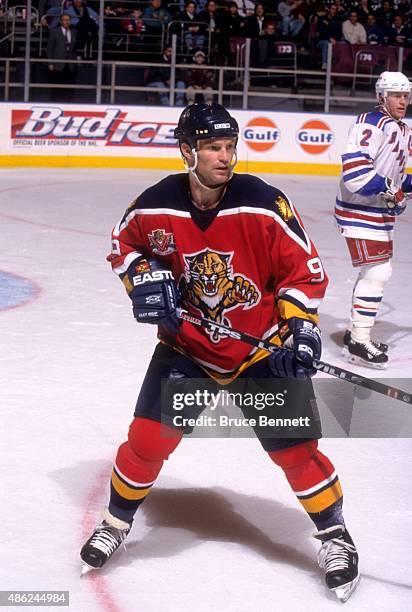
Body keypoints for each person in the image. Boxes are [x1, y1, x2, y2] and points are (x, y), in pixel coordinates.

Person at [80, 103, 360, 603]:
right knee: (147, 440)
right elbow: (123, 244)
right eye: (213, 147)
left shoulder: (262, 202)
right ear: (188, 150)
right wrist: (143, 276)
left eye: (230, 147)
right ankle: (114, 522)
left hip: (260, 353)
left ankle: (336, 537)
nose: (225, 157)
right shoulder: (156, 204)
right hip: (188, 349)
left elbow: (305, 270)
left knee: (295, 452)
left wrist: (300, 330)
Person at [335, 71, 412, 367]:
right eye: (396, 95)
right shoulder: (370, 123)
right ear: (382, 96)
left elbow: (397, 179)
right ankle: (360, 342)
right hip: (359, 210)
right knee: (377, 273)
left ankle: (357, 334)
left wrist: (401, 189)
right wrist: (391, 190)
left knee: (372, 272)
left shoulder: (402, 129)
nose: (402, 101)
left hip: (375, 212)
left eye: (405, 96)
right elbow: (355, 174)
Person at [47, 13, 78, 101]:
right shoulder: (54, 31)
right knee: (57, 86)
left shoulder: (74, 32)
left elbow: (75, 48)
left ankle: (68, 103)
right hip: (58, 63)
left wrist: (75, 61)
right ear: (61, 21)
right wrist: (50, 62)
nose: (66, 22)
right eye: (64, 20)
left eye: (68, 20)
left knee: (69, 86)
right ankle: (56, 102)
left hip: (70, 63)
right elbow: (49, 48)